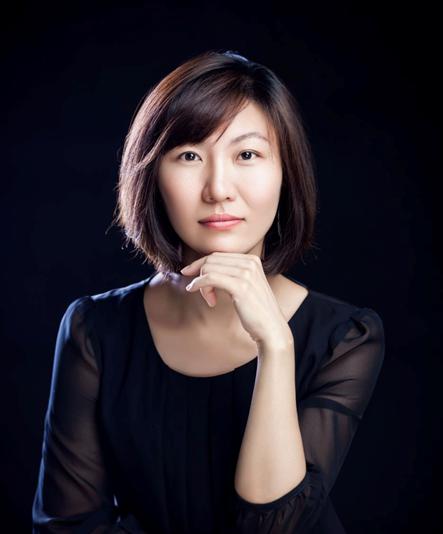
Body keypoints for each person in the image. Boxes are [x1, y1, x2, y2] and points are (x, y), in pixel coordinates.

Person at [32, 50, 385, 533]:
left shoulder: (345, 337)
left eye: (247, 155)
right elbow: (66, 526)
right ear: (151, 175)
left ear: (286, 172)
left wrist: (276, 347)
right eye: (189, 156)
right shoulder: (94, 329)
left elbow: (273, 529)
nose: (218, 189)